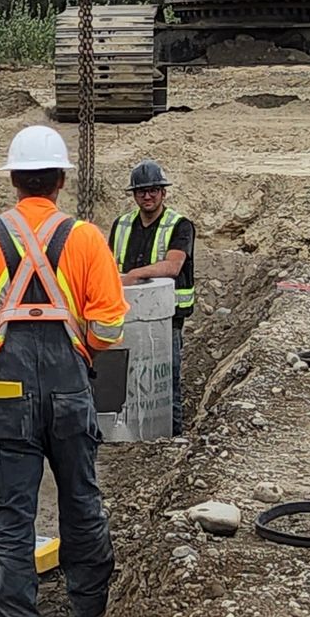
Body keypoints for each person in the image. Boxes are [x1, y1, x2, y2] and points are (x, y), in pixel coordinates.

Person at [0, 125, 128, 617]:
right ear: (62, 179)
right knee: (81, 500)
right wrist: (81, 346)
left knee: (10, 517)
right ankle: (92, 616)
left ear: (14, 180)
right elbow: (111, 327)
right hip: (72, 387)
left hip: (6, 390)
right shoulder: (87, 238)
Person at [109, 157, 195, 433]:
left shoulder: (179, 225)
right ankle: (130, 430)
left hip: (167, 316)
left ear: (163, 193)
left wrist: (133, 275)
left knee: (164, 378)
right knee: (129, 376)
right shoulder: (122, 225)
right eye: (141, 191)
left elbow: (173, 266)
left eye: (153, 190)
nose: (147, 196)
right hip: (129, 313)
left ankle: (171, 432)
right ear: (134, 195)